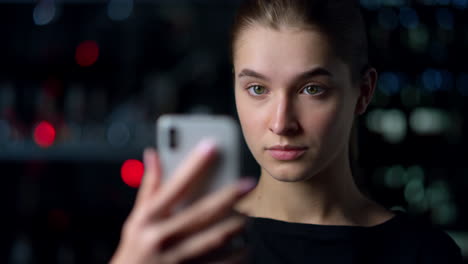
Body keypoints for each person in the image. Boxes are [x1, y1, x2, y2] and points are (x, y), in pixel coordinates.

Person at [110, 0, 463, 263]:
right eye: (257, 89)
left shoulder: (425, 254)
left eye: (312, 89)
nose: (281, 123)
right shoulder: (185, 245)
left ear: (364, 92)